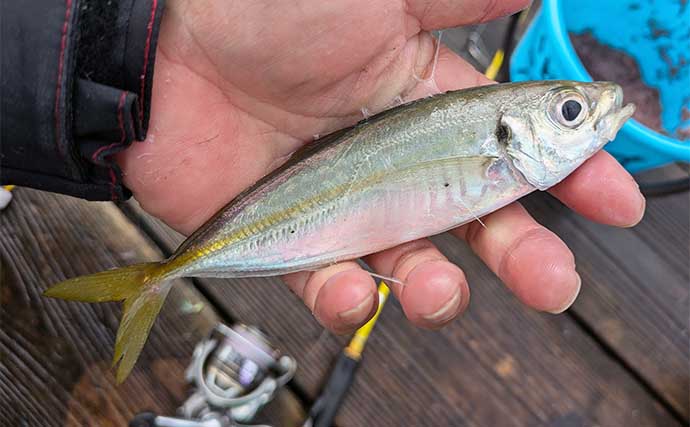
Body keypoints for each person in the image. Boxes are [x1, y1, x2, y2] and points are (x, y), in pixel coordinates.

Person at [1, 0, 645, 335]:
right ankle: (157, 276)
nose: (594, 110)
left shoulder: (499, 138)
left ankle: (159, 275)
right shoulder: (492, 135)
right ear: (507, 133)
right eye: (568, 110)